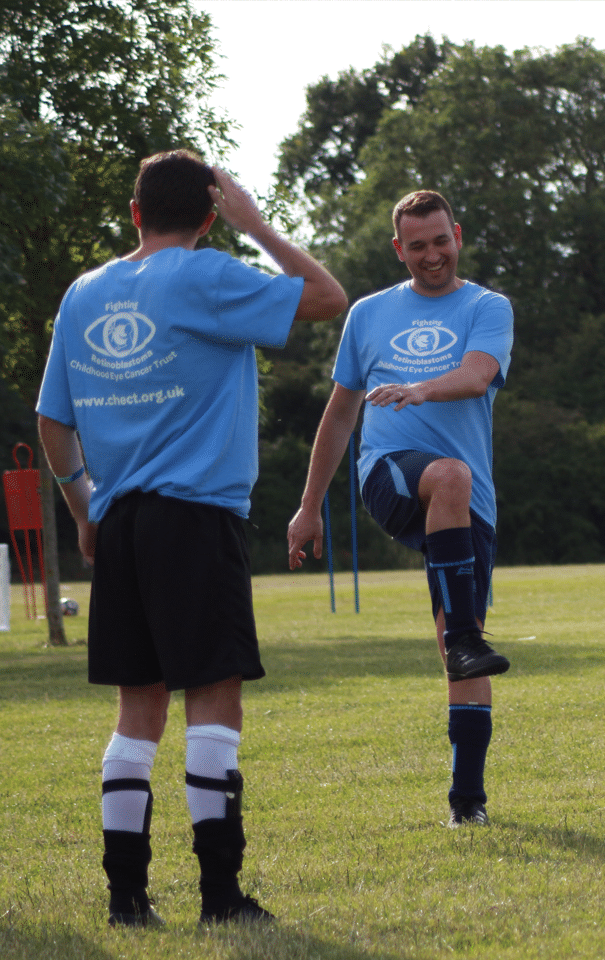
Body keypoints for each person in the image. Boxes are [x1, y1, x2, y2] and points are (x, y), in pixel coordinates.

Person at [36, 150, 347, 927]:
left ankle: (125, 899)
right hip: (195, 518)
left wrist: (82, 510)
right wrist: (259, 225)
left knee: (134, 714)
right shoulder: (207, 274)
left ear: (134, 213)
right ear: (209, 216)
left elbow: (52, 420)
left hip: (123, 522)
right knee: (212, 700)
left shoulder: (83, 292)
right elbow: (328, 297)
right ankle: (219, 895)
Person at [287, 189, 513, 828]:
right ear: (399, 249)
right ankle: (469, 637)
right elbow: (339, 416)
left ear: (457, 236)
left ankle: (467, 803)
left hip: (468, 501)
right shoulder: (368, 313)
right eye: (417, 246)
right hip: (388, 473)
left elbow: (475, 374)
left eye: (440, 240)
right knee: (446, 474)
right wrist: (310, 507)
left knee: (456, 649)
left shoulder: (487, 307)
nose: (432, 255)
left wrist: (419, 388)